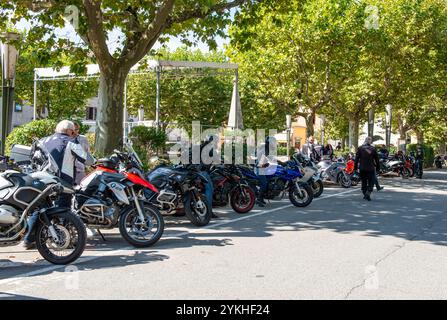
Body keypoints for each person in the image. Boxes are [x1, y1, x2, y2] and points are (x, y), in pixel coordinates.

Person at [23, 120, 95, 249]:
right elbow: (89, 161)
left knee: (40, 209)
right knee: (64, 211)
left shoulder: (42, 141)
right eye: (73, 131)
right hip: (62, 183)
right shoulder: (71, 142)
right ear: (70, 131)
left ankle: (28, 239)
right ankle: (64, 239)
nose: (74, 133)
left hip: (41, 182)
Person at [354, 137, 380, 201]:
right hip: (370, 168)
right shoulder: (373, 149)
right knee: (371, 181)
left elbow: (356, 159)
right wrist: (378, 168)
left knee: (364, 181)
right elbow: (377, 160)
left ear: (365, 141)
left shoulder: (360, 148)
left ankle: (365, 193)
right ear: (370, 142)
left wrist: (355, 168)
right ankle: (368, 192)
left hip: (362, 168)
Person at [256, 136, 278, 207]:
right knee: (264, 184)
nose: (274, 144)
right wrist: (265, 164)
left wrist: (280, 162)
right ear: (269, 143)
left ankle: (262, 198)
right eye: (273, 143)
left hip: (263, 168)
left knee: (269, 181)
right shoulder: (264, 149)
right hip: (259, 169)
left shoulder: (267, 149)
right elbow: (260, 161)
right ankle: (259, 199)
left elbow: (270, 157)